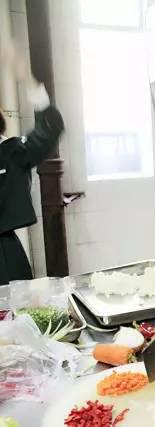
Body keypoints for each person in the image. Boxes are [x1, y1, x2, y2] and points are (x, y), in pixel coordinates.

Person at [0, 42, 64, 286]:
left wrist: (27, 79)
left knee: (17, 309)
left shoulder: (10, 153)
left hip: (5, 261)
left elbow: (51, 128)